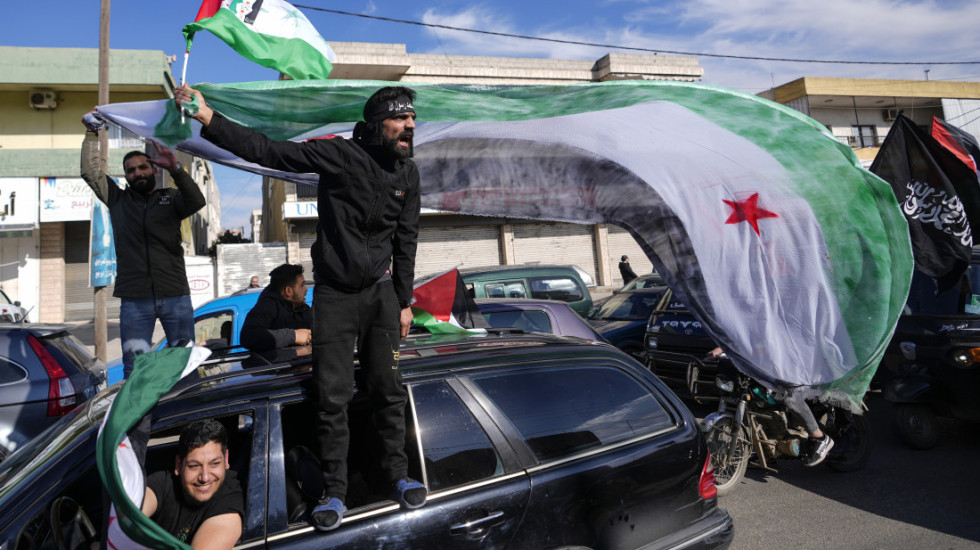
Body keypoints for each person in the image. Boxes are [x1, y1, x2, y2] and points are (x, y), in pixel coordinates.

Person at [175, 84, 425, 532]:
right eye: (400, 118)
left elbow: (406, 241)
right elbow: (270, 152)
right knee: (332, 398)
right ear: (375, 125)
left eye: (412, 117)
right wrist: (208, 117)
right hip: (334, 297)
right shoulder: (339, 156)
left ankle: (398, 476)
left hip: (381, 296)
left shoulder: (408, 173)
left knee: (388, 390)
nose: (410, 125)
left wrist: (404, 301)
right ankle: (335, 492)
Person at [80, 112, 206, 379]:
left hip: (175, 296)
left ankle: (188, 419)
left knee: (184, 364)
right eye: (130, 170)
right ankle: (140, 421)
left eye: (142, 167)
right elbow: (90, 172)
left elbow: (197, 201)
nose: (137, 173)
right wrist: (93, 133)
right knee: (135, 369)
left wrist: (176, 168)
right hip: (135, 300)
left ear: (154, 170)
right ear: (126, 176)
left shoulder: (170, 198)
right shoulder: (118, 201)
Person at [707, 347, 834, 466]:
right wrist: (720, 349)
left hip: (790, 362)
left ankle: (819, 437)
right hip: (760, 366)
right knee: (755, 402)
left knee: (789, 397)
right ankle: (769, 452)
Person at [142, 419, 244, 549]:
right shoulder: (164, 482)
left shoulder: (229, 505)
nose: (205, 477)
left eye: (215, 464)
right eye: (194, 466)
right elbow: (131, 509)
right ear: (179, 465)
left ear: (226, 459)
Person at [240, 263, 312, 353]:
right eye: (302, 285)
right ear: (288, 291)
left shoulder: (303, 308)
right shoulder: (267, 306)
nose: (306, 289)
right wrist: (294, 336)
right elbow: (248, 336)